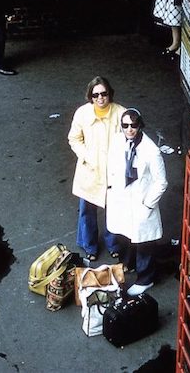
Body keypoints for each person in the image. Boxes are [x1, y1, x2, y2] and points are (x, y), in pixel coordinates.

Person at [106, 108, 168, 296]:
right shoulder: (118, 141)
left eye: (133, 125)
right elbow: (113, 165)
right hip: (123, 199)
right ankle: (128, 264)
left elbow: (161, 182)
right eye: (125, 125)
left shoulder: (151, 150)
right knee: (125, 235)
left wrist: (148, 204)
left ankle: (145, 278)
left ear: (140, 125)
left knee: (144, 243)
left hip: (142, 202)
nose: (129, 129)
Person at [68, 76, 125, 262]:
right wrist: (86, 156)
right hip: (90, 172)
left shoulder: (120, 113)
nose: (100, 98)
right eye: (96, 95)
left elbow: (130, 138)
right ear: (90, 96)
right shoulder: (82, 114)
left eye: (104, 94)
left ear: (110, 94)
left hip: (113, 173)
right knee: (87, 211)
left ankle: (113, 244)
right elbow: (74, 138)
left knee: (114, 211)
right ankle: (89, 246)